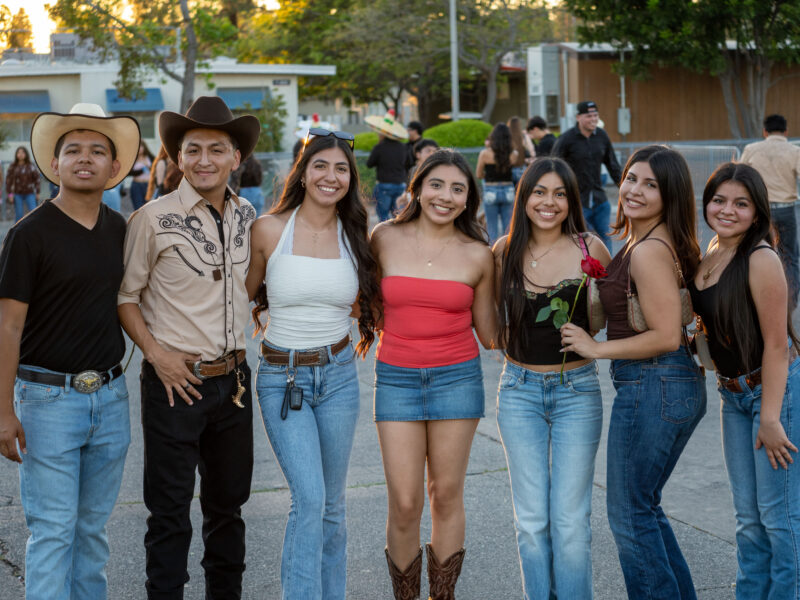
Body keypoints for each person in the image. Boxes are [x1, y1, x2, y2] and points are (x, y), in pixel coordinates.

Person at [117, 96, 260, 600]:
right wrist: (156, 355)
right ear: (177, 158)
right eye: (192, 149)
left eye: (216, 150)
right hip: (175, 383)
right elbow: (126, 297)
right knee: (170, 512)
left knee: (228, 510)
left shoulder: (248, 216)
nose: (204, 160)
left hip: (236, 383)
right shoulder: (151, 220)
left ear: (235, 158)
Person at [0, 103, 139, 599]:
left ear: (114, 167)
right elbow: (8, 328)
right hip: (46, 401)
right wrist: (3, 413)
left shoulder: (122, 231)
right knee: (53, 531)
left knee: (92, 534)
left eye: (98, 151)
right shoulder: (28, 235)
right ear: (54, 165)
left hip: (110, 397)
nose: (86, 158)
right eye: (73, 150)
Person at [561, 145, 706, 599]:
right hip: (666, 384)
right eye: (630, 178)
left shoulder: (649, 251)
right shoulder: (648, 241)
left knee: (629, 515)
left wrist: (594, 347)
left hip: (654, 381)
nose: (634, 191)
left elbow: (665, 334)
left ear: (671, 195)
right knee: (645, 509)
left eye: (651, 185)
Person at [246, 129, 379, 600]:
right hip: (283, 378)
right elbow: (234, 300)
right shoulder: (268, 230)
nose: (331, 176)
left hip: (340, 376)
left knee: (333, 505)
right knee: (310, 499)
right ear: (303, 173)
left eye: (341, 168)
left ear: (351, 178)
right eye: (321, 165)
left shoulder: (356, 235)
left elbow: (367, 307)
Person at [371, 149, 497, 599]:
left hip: (457, 379)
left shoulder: (479, 254)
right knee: (405, 502)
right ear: (417, 188)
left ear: (468, 199)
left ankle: (442, 596)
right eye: (437, 185)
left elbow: (490, 334)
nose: (446, 196)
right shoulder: (383, 238)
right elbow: (359, 305)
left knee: (445, 494)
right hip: (397, 379)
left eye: (458, 189)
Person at [494, 157, 611, 599]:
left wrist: (589, 334)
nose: (549, 202)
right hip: (518, 391)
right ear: (524, 197)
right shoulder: (504, 250)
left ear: (572, 200)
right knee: (530, 521)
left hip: (577, 392)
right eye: (539, 192)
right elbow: (490, 326)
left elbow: (606, 319)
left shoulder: (590, 248)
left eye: (560, 193)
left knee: (569, 521)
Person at [689, 162, 800, 599]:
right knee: (747, 518)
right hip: (731, 395)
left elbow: (777, 344)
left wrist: (770, 418)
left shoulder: (760, 258)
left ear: (758, 211)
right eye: (719, 200)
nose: (727, 210)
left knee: (779, 516)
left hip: (772, 394)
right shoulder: (712, 251)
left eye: (741, 203)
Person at [740, 114, 800, 311]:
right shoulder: (795, 151)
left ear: (764, 131)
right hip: (786, 209)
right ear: (786, 131)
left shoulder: (751, 149)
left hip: (760, 210)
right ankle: (789, 304)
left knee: (753, 252)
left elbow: (739, 177)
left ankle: (754, 299)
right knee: (789, 257)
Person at [553, 101, 622, 250]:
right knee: (581, 242)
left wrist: (625, 188)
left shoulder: (602, 136)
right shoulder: (566, 139)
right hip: (577, 202)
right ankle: (584, 272)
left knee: (605, 239)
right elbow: (554, 168)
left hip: (600, 200)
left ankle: (607, 272)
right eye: (589, 115)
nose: (593, 119)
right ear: (578, 117)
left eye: (595, 115)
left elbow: (613, 165)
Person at [476, 122, 518, 242]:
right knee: (508, 230)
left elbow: (479, 174)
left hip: (490, 190)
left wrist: (488, 176)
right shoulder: (514, 154)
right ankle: (508, 255)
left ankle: (493, 256)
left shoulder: (485, 153)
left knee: (492, 229)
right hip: (508, 190)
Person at [366, 112, 409, 222]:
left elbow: (369, 164)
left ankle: (385, 238)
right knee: (399, 216)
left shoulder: (379, 147)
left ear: (382, 134)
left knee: (383, 217)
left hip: (384, 184)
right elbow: (409, 163)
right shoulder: (403, 147)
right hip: (400, 184)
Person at [395, 138, 439, 215]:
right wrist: (402, 197)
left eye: (435, 151)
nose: (432, 154)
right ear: (418, 154)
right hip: (414, 210)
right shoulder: (413, 170)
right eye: (428, 151)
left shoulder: (438, 171)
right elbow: (408, 189)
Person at [5, 146, 40, 222]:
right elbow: (8, 182)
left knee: (34, 211)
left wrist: (37, 192)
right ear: (16, 154)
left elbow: (37, 179)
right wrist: (10, 195)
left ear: (26, 154)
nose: (20, 154)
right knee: (19, 214)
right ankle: (17, 232)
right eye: (19, 152)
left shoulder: (31, 166)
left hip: (30, 193)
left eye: (23, 152)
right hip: (18, 194)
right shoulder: (13, 166)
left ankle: (34, 230)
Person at [507, 116, 534, 186]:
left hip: (508, 170)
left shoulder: (506, 138)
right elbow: (532, 152)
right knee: (522, 193)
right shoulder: (524, 137)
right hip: (522, 169)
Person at [130, 141, 154, 210]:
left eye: (141, 146)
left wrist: (148, 166)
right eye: (138, 147)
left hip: (148, 185)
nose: (140, 148)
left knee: (149, 208)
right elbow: (129, 173)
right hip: (137, 186)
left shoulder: (150, 157)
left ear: (144, 147)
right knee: (138, 209)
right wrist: (142, 170)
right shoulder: (133, 158)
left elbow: (156, 169)